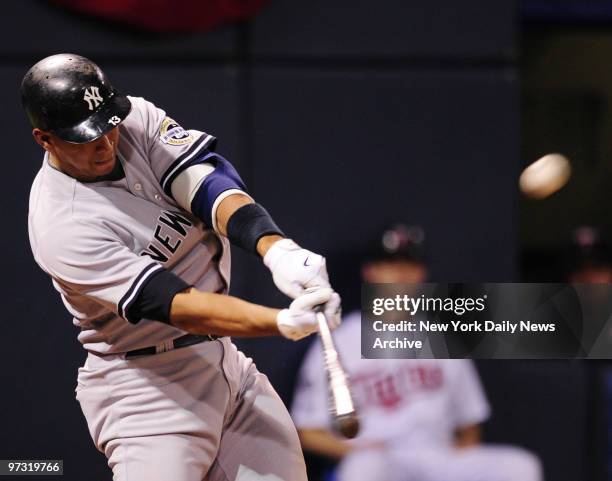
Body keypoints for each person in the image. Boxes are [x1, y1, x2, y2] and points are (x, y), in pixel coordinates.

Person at [23, 53, 341, 481]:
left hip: (226, 365)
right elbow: (177, 304)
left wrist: (276, 249)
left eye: (107, 124)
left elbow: (206, 186)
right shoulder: (61, 224)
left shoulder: (134, 118)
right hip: (147, 390)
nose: (106, 143)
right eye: (85, 137)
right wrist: (280, 321)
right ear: (45, 139)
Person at [291, 223, 543, 481]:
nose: (401, 275)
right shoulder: (340, 339)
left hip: (438, 458)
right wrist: (355, 451)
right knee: (364, 468)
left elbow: (469, 426)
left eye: (409, 266)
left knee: (520, 467)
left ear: (422, 273)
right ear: (370, 271)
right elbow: (308, 432)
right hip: (380, 460)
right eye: (391, 265)